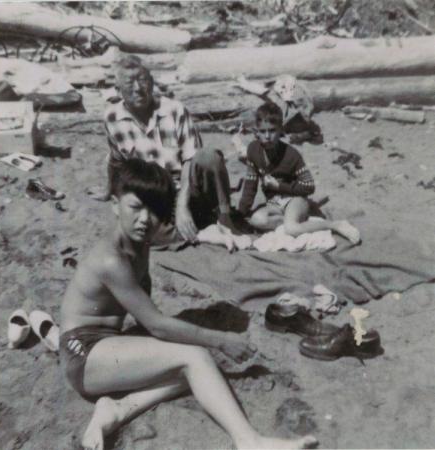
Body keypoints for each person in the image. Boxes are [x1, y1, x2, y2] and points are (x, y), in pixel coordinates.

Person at [60, 158, 317, 450]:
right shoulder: (111, 259)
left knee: (199, 375)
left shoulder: (140, 240)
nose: (145, 219)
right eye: (135, 207)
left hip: (106, 344)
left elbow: (190, 233)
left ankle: (117, 409)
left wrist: (223, 233)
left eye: (154, 211)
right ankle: (249, 441)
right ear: (114, 204)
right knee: (197, 358)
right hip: (83, 354)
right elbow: (156, 324)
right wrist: (221, 339)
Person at [88, 52, 239, 242]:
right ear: (118, 89)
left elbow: (190, 160)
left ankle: (224, 218)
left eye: (142, 80)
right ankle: (202, 235)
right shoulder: (112, 118)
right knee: (143, 232)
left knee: (209, 156)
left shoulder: (174, 110)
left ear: (152, 82)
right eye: (129, 83)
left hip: (189, 188)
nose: (138, 88)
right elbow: (116, 160)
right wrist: (108, 190)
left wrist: (182, 206)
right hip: (156, 195)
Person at [238, 103, 360, 244]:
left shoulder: (291, 155)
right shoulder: (253, 150)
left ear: (281, 130)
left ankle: (335, 225)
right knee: (257, 220)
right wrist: (241, 213)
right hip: (274, 203)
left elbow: (309, 186)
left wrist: (279, 187)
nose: (267, 136)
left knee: (290, 229)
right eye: (263, 131)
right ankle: (300, 222)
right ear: (256, 132)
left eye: (272, 131)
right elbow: (250, 185)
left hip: (295, 199)